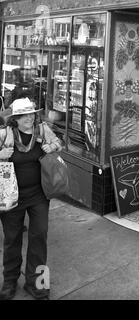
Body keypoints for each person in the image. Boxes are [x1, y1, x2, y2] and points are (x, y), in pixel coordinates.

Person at [0, 97, 62, 300]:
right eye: (23, 115)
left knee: (39, 236)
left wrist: (52, 147)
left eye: (31, 114)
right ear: (14, 119)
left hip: (39, 195)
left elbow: (59, 143)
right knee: (12, 239)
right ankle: (9, 281)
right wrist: (1, 154)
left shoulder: (42, 130)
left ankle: (36, 283)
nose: (29, 117)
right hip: (11, 197)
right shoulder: (5, 135)